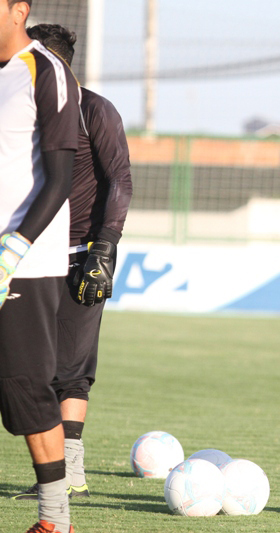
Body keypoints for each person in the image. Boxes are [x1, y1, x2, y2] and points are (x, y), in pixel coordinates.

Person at [11, 23, 133, 503]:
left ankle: (68, 475)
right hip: (28, 254)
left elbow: (119, 179)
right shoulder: (23, 110)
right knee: (27, 367)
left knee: (72, 368)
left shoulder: (94, 109)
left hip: (84, 253)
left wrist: (105, 245)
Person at [0, 1, 81, 532]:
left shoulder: (45, 71)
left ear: (18, 10)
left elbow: (59, 178)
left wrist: (12, 249)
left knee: (24, 387)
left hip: (24, 265)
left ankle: (56, 519)